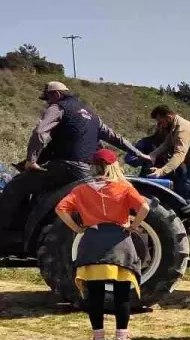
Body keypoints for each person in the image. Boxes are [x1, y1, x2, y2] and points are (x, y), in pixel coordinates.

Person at [0, 82, 148, 236]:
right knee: (38, 190)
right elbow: (116, 138)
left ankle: (5, 233)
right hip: (85, 171)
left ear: (56, 94)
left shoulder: (58, 107)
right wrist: (139, 153)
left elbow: (39, 132)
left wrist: (31, 160)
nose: (47, 103)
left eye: (48, 99)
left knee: (15, 186)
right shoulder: (92, 115)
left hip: (66, 167)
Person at [54, 149, 150, 340]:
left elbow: (60, 209)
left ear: (93, 166)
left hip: (92, 243)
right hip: (120, 244)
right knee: (121, 295)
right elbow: (145, 207)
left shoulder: (80, 190)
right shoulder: (124, 187)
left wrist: (77, 228)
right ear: (113, 166)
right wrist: (133, 227)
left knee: (95, 294)